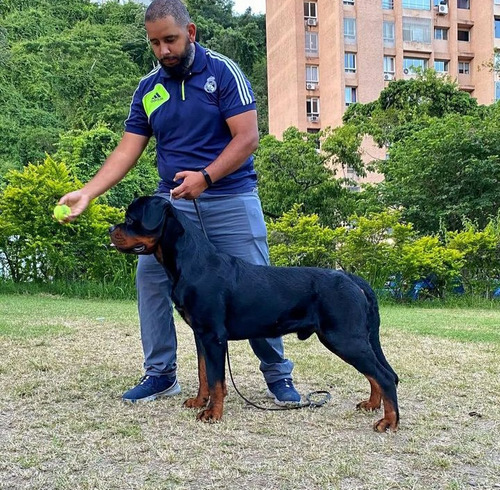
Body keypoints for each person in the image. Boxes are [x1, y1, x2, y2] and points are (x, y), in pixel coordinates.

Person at [59, 0, 300, 406]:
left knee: (259, 283)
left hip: (231, 196)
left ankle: (277, 374)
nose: (163, 51)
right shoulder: (149, 88)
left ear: (190, 32)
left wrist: (206, 177)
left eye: (169, 40)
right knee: (151, 281)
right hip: (173, 204)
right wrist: (88, 191)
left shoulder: (224, 72)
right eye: (154, 43)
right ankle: (161, 375)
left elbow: (247, 138)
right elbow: (126, 149)